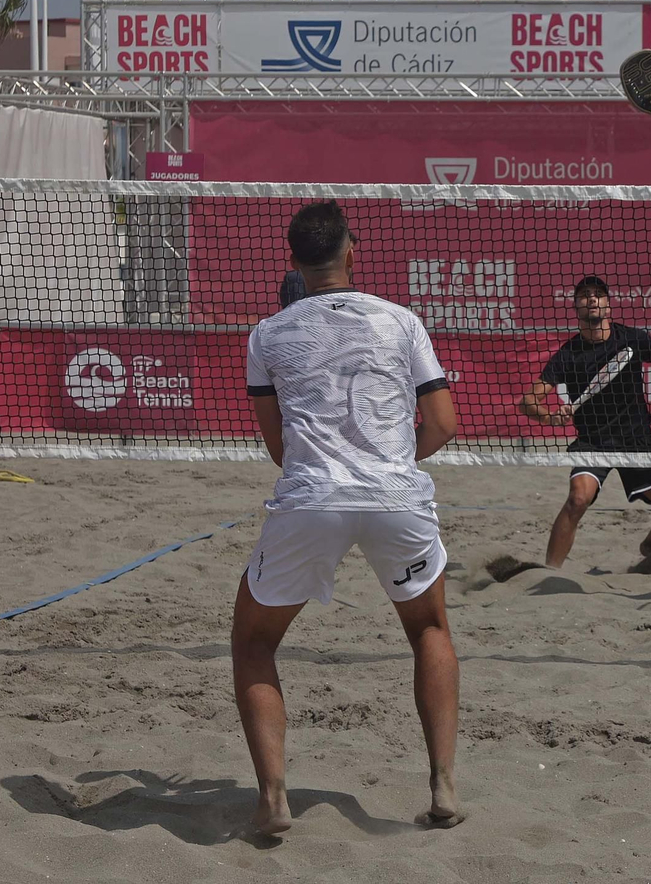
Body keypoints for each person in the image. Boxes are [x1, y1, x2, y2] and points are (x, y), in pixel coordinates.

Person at [237, 200, 463, 835]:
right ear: (352, 252)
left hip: (312, 499)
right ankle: (444, 784)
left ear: (293, 261)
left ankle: (275, 798)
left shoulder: (268, 334)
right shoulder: (401, 321)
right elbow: (444, 424)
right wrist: (392, 461)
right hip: (396, 499)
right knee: (429, 631)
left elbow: (279, 450)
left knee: (254, 641)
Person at [518, 275, 651, 570]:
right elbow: (528, 402)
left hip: (637, 440)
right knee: (577, 500)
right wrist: (549, 416)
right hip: (593, 443)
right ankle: (548, 572)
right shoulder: (566, 356)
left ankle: (650, 546)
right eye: (584, 295)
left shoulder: (632, 339)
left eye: (597, 294)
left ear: (608, 304)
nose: (591, 299)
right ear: (576, 307)